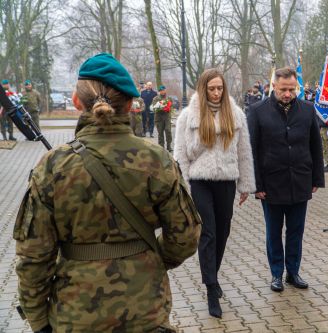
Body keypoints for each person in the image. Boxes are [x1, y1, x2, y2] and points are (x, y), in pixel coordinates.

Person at [14, 53, 201, 333]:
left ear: (77, 102)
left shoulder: (53, 165)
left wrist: (39, 320)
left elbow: (33, 257)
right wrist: (153, 259)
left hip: (76, 314)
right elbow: (186, 236)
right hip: (145, 310)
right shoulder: (155, 159)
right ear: (130, 103)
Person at [174, 68, 255, 318]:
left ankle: (213, 276)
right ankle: (211, 288)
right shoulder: (188, 116)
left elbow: (243, 151)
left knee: (223, 231)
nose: (217, 93)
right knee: (208, 232)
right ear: (203, 89)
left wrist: (245, 185)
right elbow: (180, 155)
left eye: (220, 88)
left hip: (226, 180)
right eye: (212, 88)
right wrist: (184, 185)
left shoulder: (236, 114)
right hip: (200, 181)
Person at [247, 67, 324, 293]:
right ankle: (276, 274)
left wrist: (316, 178)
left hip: (300, 180)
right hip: (270, 184)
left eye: (292, 89)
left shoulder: (307, 110)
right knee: (273, 232)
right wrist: (256, 185)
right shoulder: (257, 110)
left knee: (296, 231)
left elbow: (315, 146)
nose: (288, 94)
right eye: (283, 89)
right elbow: (252, 149)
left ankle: (293, 271)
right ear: (274, 86)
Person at [151, 85, 173, 151]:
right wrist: (160, 107)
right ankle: (161, 147)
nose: (163, 91)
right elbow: (154, 108)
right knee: (160, 133)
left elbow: (171, 106)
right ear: (159, 91)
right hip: (159, 118)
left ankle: (169, 146)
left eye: (164, 90)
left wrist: (168, 108)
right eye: (161, 90)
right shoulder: (156, 98)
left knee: (168, 131)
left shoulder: (169, 98)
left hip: (167, 117)